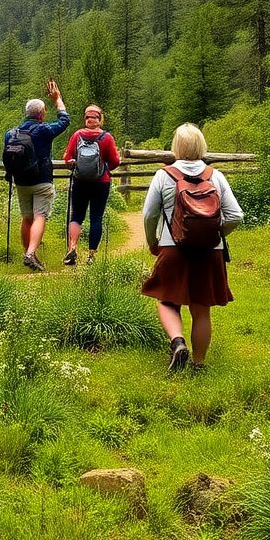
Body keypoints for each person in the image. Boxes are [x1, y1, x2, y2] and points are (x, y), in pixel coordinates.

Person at [140, 123, 243, 374]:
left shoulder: (164, 175)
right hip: (210, 252)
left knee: (166, 300)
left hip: (172, 249)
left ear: (176, 146)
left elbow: (148, 214)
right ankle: (199, 364)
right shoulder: (215, 176)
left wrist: (153, 241)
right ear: (201, 145)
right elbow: (235, 216)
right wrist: (217, 234)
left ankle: (177, 342)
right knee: (201, 309)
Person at [5, 80, 69, 271]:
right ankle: (30, 254)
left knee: (26, 217)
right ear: (41, 114)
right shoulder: (43, 129)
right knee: (40, 216)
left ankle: (29, 253)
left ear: (26, 113)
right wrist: (57, 99)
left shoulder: (11, 133)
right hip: (41, 180)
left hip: (21, 182)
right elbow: (64, 120)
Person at [62, 103, 121, 265]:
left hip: (80, 181)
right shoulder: (106, 137)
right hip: (101, 183)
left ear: (86, 118)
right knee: (96, 218)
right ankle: (91, 256)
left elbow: (67, 158)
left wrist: (74, 164)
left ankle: (72, 249)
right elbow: (115, 161)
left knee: (76, 217)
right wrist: (105, 168)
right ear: (100, 119)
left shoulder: (77, 135)